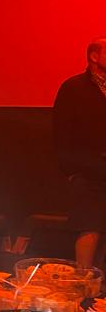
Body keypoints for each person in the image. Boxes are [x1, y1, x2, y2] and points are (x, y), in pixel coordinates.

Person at [52, 37, 106, 268]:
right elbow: (60, 131)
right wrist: (71, 170)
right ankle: (83, 279)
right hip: (87, 170)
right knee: (90, 227)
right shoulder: (73, 88)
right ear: (94, 56)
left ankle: (99, 280)